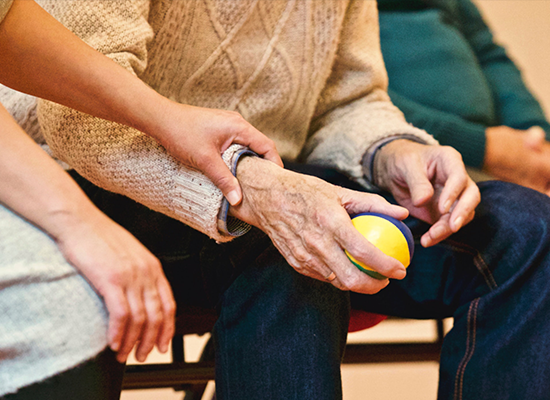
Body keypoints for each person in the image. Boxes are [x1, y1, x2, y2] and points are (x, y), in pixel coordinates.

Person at [4, 1, 550, 400]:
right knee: (293, 246)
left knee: (526, 229)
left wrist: (394, 152)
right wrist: (256, 190)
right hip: (110, 180)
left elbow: (349, 99)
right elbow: (69, 114)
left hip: (284, 180)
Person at [0, 0, 280, 397]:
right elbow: (69, 121)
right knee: (70, 310)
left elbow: (8, 23)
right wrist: (81, 224)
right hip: (58, 167)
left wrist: (167, 117)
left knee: (287, 248)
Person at [377, 0, 550, 194]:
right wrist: (483, 148)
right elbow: (356, 99)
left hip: (501, 156)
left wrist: (537, 139)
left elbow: (489, 55)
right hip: (408, 163)